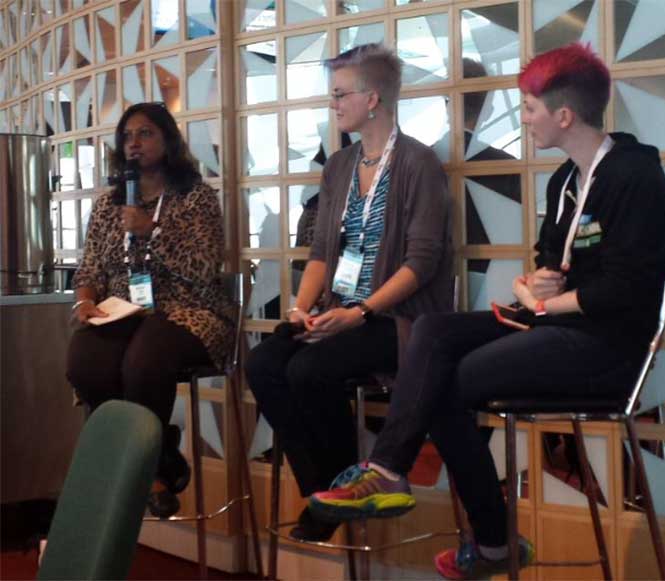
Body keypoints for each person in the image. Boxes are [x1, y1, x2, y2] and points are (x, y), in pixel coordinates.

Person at [309, 43, 665, 579]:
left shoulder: (635, 177)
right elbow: (552, 262)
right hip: (556, 325)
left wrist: (547, 300)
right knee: (433, 332)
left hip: (607, 346)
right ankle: (394, 473)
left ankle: (487, 536)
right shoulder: (566, 179)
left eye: (529, 108)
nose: (523, 119)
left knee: (442, 380)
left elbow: (630, 288)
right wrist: (535, 284)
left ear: (563, 115)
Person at [244, 43, 452, 542]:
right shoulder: (339, 166)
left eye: (340, 94)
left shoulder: (418, 164)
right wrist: (300, 309)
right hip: (338, 312)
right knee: (264, 363)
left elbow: (421, 263)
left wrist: (360, 312)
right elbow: (321, 253)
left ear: (372, 98)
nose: (333, 104)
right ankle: (326, 490)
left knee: (309, 369)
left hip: (395, 320)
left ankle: (338, 494)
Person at [66, 102, 234, 518]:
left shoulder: (195, 198)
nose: (134, 144)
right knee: (84, 361)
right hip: (124, 311)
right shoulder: (108, 206)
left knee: (144, 361)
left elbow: (203, 266)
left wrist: (152, 231)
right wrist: (85, 301)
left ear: (168, 140)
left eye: (145, 134)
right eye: (127, 136)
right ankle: (159, 457)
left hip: (188, 311)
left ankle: (146, 472)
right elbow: (90, 268)